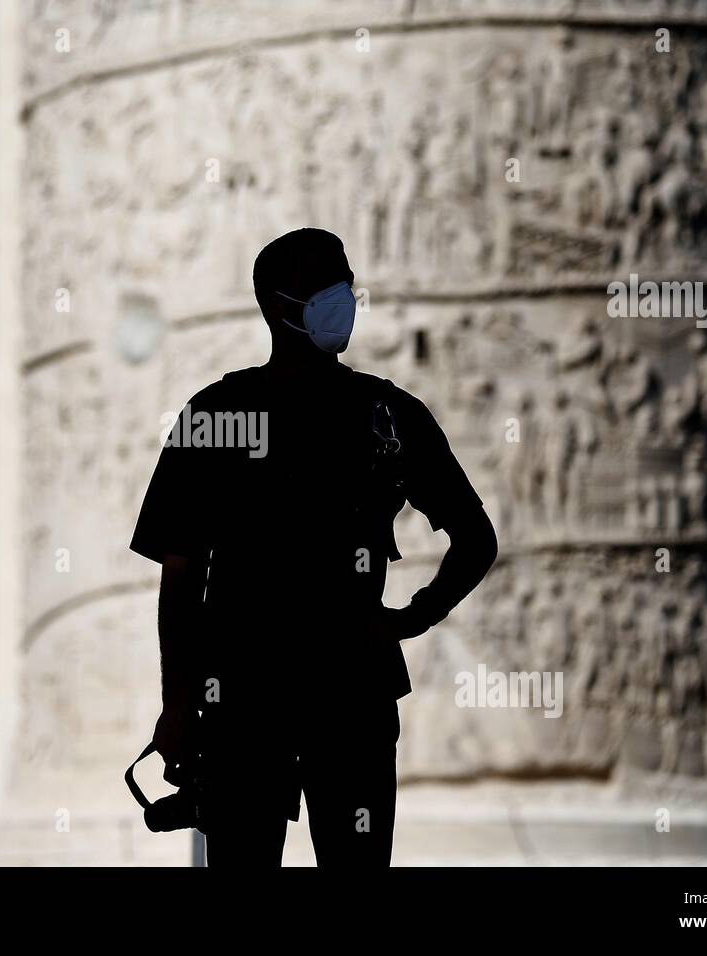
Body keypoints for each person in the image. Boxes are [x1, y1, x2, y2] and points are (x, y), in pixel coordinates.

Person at [129, 228, 497, 866]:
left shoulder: (221, 414)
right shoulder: (383, 412)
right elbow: (181, 577)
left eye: (346, 286)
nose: (344, 301)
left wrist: (179, 707)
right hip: (321, 692)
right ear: (280, 306)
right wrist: (408, 619)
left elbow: (183, 580)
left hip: (256, 696)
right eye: (327, 289)